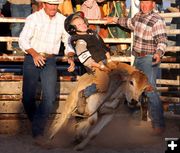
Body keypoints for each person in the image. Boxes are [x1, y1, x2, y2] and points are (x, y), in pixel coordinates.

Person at [106, 0, 167, 135]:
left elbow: (162, 40)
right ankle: (131, 121)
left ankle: (158, 125)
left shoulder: (157, 20)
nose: (144, 5)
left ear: (153, 4)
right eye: (142, 3)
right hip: (138, 58)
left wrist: (158, 53)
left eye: (147, 3)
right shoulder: (138, 16)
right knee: (131, 87)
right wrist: (114, 19)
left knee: (149, 90)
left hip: (148, 58)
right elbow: (128, 22)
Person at [18, 0, 75, 143]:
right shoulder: (34, 18)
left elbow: (68, 41)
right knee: (27, 98)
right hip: (32, 58)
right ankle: (38, 126)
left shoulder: (62, 20)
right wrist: (34, 53)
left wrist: (70, 56)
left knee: (49, 98)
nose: (53, 7)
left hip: (49, 60)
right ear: (44, 4)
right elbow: (23, 39)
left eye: (56, 4)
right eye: (51, 4)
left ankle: (38, 133)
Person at [64, 11, 114, 114]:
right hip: (94, 65)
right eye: (78, 25)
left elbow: (103, 46)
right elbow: (86, 60)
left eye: (83, 22)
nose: (82, 25)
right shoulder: (79, 41)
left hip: (104, 60)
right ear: (73, 29)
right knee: (103, 83)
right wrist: (100, 66)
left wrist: (109, 60)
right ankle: (84, 93)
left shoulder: (93, 33)